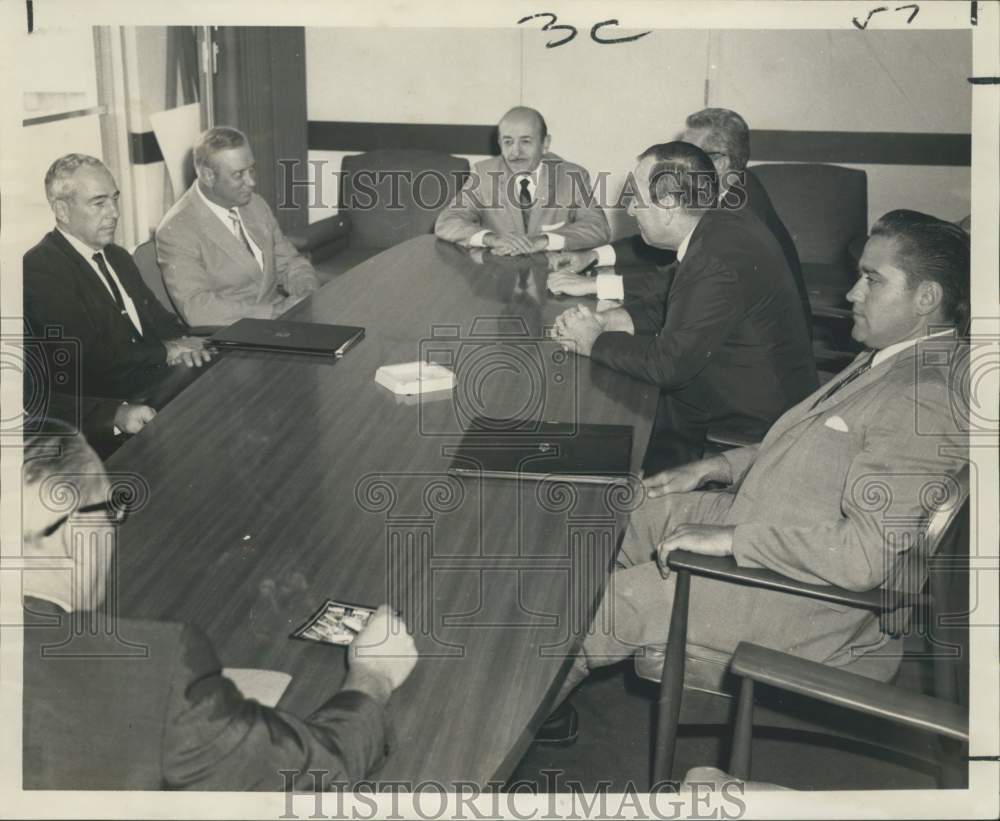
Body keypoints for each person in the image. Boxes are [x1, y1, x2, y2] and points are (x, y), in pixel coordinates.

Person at [542, 209, 969, 742]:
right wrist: (716, 467)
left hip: (800, 597)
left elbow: (864, 556)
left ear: (927, 298)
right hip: (776, 521)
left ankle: (498, 736)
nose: (853, 293)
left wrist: (732, 539)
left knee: (610, 606)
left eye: (873, 279)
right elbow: (813, 443)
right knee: (607, 517)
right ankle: (543, 690)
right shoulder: (895, 356)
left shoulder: (924, 398)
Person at [21, 423, 418, 789]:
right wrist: (373, 676)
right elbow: (311, 777)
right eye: (110, 511)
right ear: (71, 530)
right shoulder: (153, 674)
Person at [552, 142, 817, 468]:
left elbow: (669, 365)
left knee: (594, 427)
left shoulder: (714, 260)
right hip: (740, 385)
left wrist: (593, 341)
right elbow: (669, 295)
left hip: (749, 421)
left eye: (636, 199)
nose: (631, 210)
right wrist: (611, 321)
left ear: (667, 205)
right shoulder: (721, 222)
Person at [23, 154, 212, 451]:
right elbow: (89, 356)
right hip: (109, 409)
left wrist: (186, 342)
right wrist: (165, 352)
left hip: (155, 383)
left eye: (114, 199)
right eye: (99, 203)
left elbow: (160, 320)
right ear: (61, 209)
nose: (113, 213)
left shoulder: (117, 256)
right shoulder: (41, 269)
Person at [548, 107, 809, 320]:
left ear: (719, 163)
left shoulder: (734, 216)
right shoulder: (735, 184)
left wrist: (593, 285)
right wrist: (592, 256)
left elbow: (674, 283)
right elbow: (665, 236)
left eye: (689, 154)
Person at [156, 126, 320, 326]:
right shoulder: (177, 230)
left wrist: (307, 293)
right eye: (238, 174)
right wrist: (274, 312)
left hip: (279, 323)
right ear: (208, 176)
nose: (251, 182)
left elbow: (291, 262)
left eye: (251, 169)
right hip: (230, 334)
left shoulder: (255, 204)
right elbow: (197, 308)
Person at [434, 106, 610, 255]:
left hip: (552, 275)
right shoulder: (483, 174)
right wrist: (491, 239)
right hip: (498, 277)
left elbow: (598, 227)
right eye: (508, 142)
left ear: (545, 143)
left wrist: (544, 241)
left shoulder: (572, 176)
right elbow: (447, 221)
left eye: (525, 142)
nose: (515, 152)